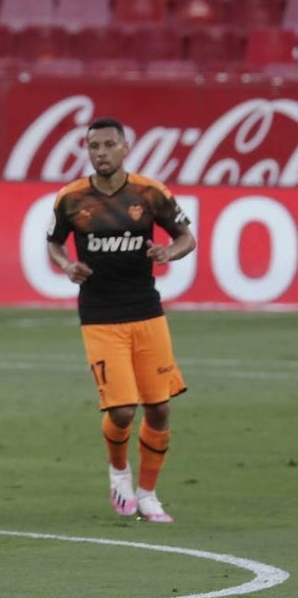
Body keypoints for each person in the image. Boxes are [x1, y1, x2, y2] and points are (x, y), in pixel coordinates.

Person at [46, 117, 196, 524]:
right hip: (99, 314)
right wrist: (66, 266)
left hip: (146, 309)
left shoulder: (149, 193)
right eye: (94, 146)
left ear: (125, 148)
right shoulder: (72, 198)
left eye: (109, 145)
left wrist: (169, 253)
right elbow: (54, 243)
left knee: (160, 408)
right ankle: (119, 472)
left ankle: (148, 495)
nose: (101, 153)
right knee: (124, 410)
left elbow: (187, 237)